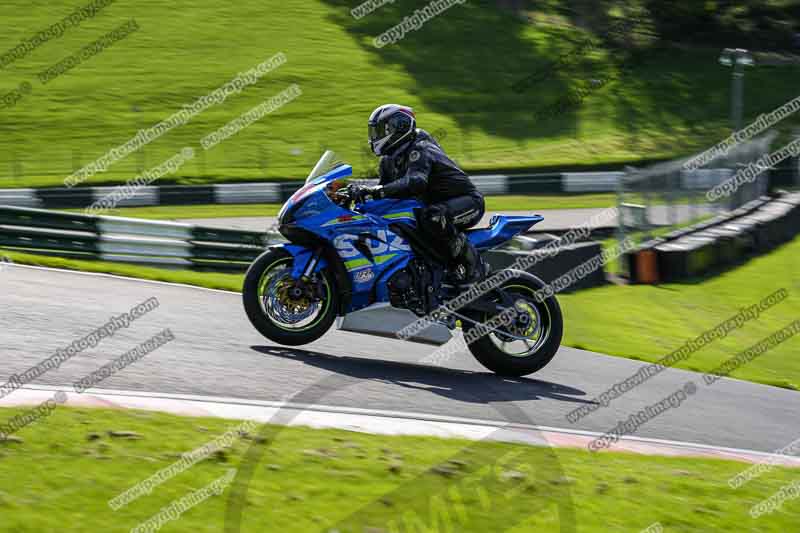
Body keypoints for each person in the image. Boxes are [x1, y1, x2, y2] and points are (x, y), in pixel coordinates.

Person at [356, 104, 485, 282]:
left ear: (399, 127)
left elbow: (416, 181)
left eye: (379, 131)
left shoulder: (421, 148)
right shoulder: (388, 161)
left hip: (467, 202)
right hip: (433, 206)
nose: (375, 137)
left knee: (433, 217)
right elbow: (385, 193)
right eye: (373, 131)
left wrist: (375, 191)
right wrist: (353, 194)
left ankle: (473, 269)